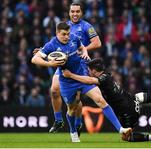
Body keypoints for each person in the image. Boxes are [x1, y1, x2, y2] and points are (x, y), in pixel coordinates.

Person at [31, 22, 132, 142]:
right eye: (64, 34)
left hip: (81, 75)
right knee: (72, 109)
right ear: (57, 33)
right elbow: (34, 59)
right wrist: (49, 64)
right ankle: (73, 131)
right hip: (67, 82)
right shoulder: (51, 45)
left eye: (68, 34)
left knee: (100, 100)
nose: (67, 37)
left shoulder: (74, 38)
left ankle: (121, 130)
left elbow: (82, 47)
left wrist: (84, 52)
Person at [63, 58, 151, 142]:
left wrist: (71, 75)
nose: (87, 71)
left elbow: (89, 81)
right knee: (137, 97)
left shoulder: (103, 79)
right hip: (132, 101)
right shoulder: (106, 73)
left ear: (95, 71)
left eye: (89, 70)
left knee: (126, 137)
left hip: (128, 112)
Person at [33, 2, 102, 134]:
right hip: (64, 63)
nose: (75, 14)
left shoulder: (87, 26)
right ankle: (59, 120)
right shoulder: (65, 26)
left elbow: (97, 43)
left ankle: (78, 123)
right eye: (72, 11)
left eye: (77, 11)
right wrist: (43, 50)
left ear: (81, 12)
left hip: (79, 64)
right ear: (69, 12)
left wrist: (81, 50)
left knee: (75, 100)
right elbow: (56, 44)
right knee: (54, 90)